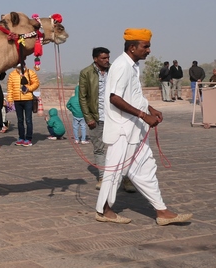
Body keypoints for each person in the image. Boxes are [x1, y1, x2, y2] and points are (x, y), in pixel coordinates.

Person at [95, 28, 192, 226]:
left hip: (135, 131)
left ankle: (162, 211)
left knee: (145, 168)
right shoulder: (121, 66)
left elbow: (135, 96)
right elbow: (114, 98)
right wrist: (143, 115)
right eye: (145, 46)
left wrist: (150, 108)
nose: (148, 50)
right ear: (132, 47)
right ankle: (104, 210)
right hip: (122, 131)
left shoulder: (133, 66)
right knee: (115, 172)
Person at [79, 47, 137, 191]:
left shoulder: (115, 70)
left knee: (122, 148)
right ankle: (103, 177)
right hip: (97, 117)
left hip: (116, 116)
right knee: (99, 149)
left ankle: (126, 179)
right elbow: (83, 97)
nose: (106, 61)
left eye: (108, 58)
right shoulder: (86, 73)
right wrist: (88, 117)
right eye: (103, 58)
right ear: (95, 59)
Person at [7, 61, 39, 147]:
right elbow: (10, 88)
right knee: (20, 120)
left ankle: (28, 138)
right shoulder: (12, 74)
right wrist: (10, 99)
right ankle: (21, 137)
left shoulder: (30, 72)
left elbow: (36, 83)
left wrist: (28, 88)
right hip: (17, 100)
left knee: (28, 120)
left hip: (28, 99)